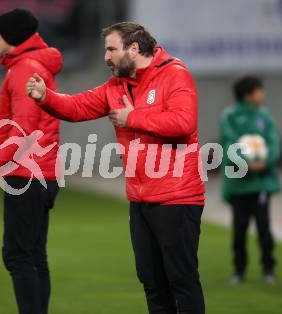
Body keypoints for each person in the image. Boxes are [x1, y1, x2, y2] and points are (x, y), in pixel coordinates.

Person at [27, 22, 205, 314]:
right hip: (141, 198)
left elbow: (183, 124)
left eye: (111, 49)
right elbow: (77, 106)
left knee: (181, 280)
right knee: (151, 281)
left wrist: (133, 118)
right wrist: (46, 97)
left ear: (134, 48)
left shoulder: (174, 74)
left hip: (177, 197)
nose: (106, 57)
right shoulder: (117, 85)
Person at [0, 8, 63, 314]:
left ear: (12, 36)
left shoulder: (23, 69)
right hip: (41, 173)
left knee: (19, 256)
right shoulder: (32, 66)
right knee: (34, 255)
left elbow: (23, 132)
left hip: (27, 176)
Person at [220, 76, 281, 285]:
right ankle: (239, 270)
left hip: (261, 182)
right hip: (239, 184)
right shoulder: (230, 116)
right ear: (248, 93)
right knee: (239, 229)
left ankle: (269, 268)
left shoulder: (264, 115)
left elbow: (273, 142)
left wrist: (266, 161)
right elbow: (229, 143)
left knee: (264, 227)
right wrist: (245, 161)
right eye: (258, 91)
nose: (261, 95)